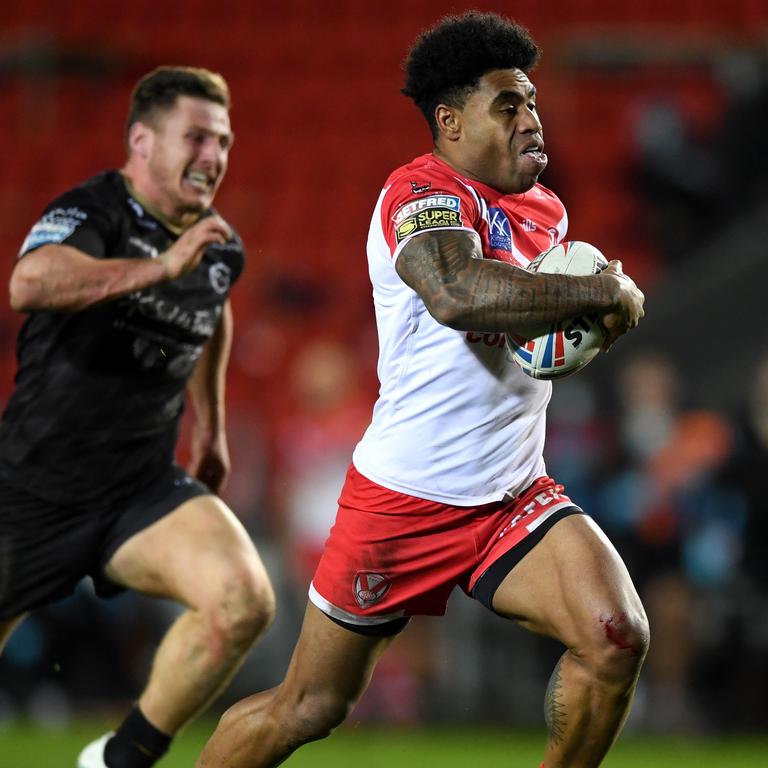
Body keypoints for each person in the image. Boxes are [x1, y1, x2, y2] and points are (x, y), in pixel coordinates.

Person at [198, 12, 648, 768]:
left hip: (510, 495)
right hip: (403, 501)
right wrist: (595, 298)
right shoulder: (418, 193)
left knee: (616, 635)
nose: (532, 121)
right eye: (509, 106)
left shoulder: (547, 212)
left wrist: (578, 324)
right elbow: (456, 290)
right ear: (450, 121)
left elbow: (527, 345)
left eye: (532, 104)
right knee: (308, 708)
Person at [0, 66, 275, 768]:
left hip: (137, 490)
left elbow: (214, 307)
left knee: (242, 599)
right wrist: (158, 266)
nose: (213, 156)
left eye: (223, 140)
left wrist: (210, 423)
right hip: (30, 489)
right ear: (142, 142)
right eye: (196, 137)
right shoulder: (95, 211)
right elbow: (29, 282)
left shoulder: (218, 247)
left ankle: (119, 761)